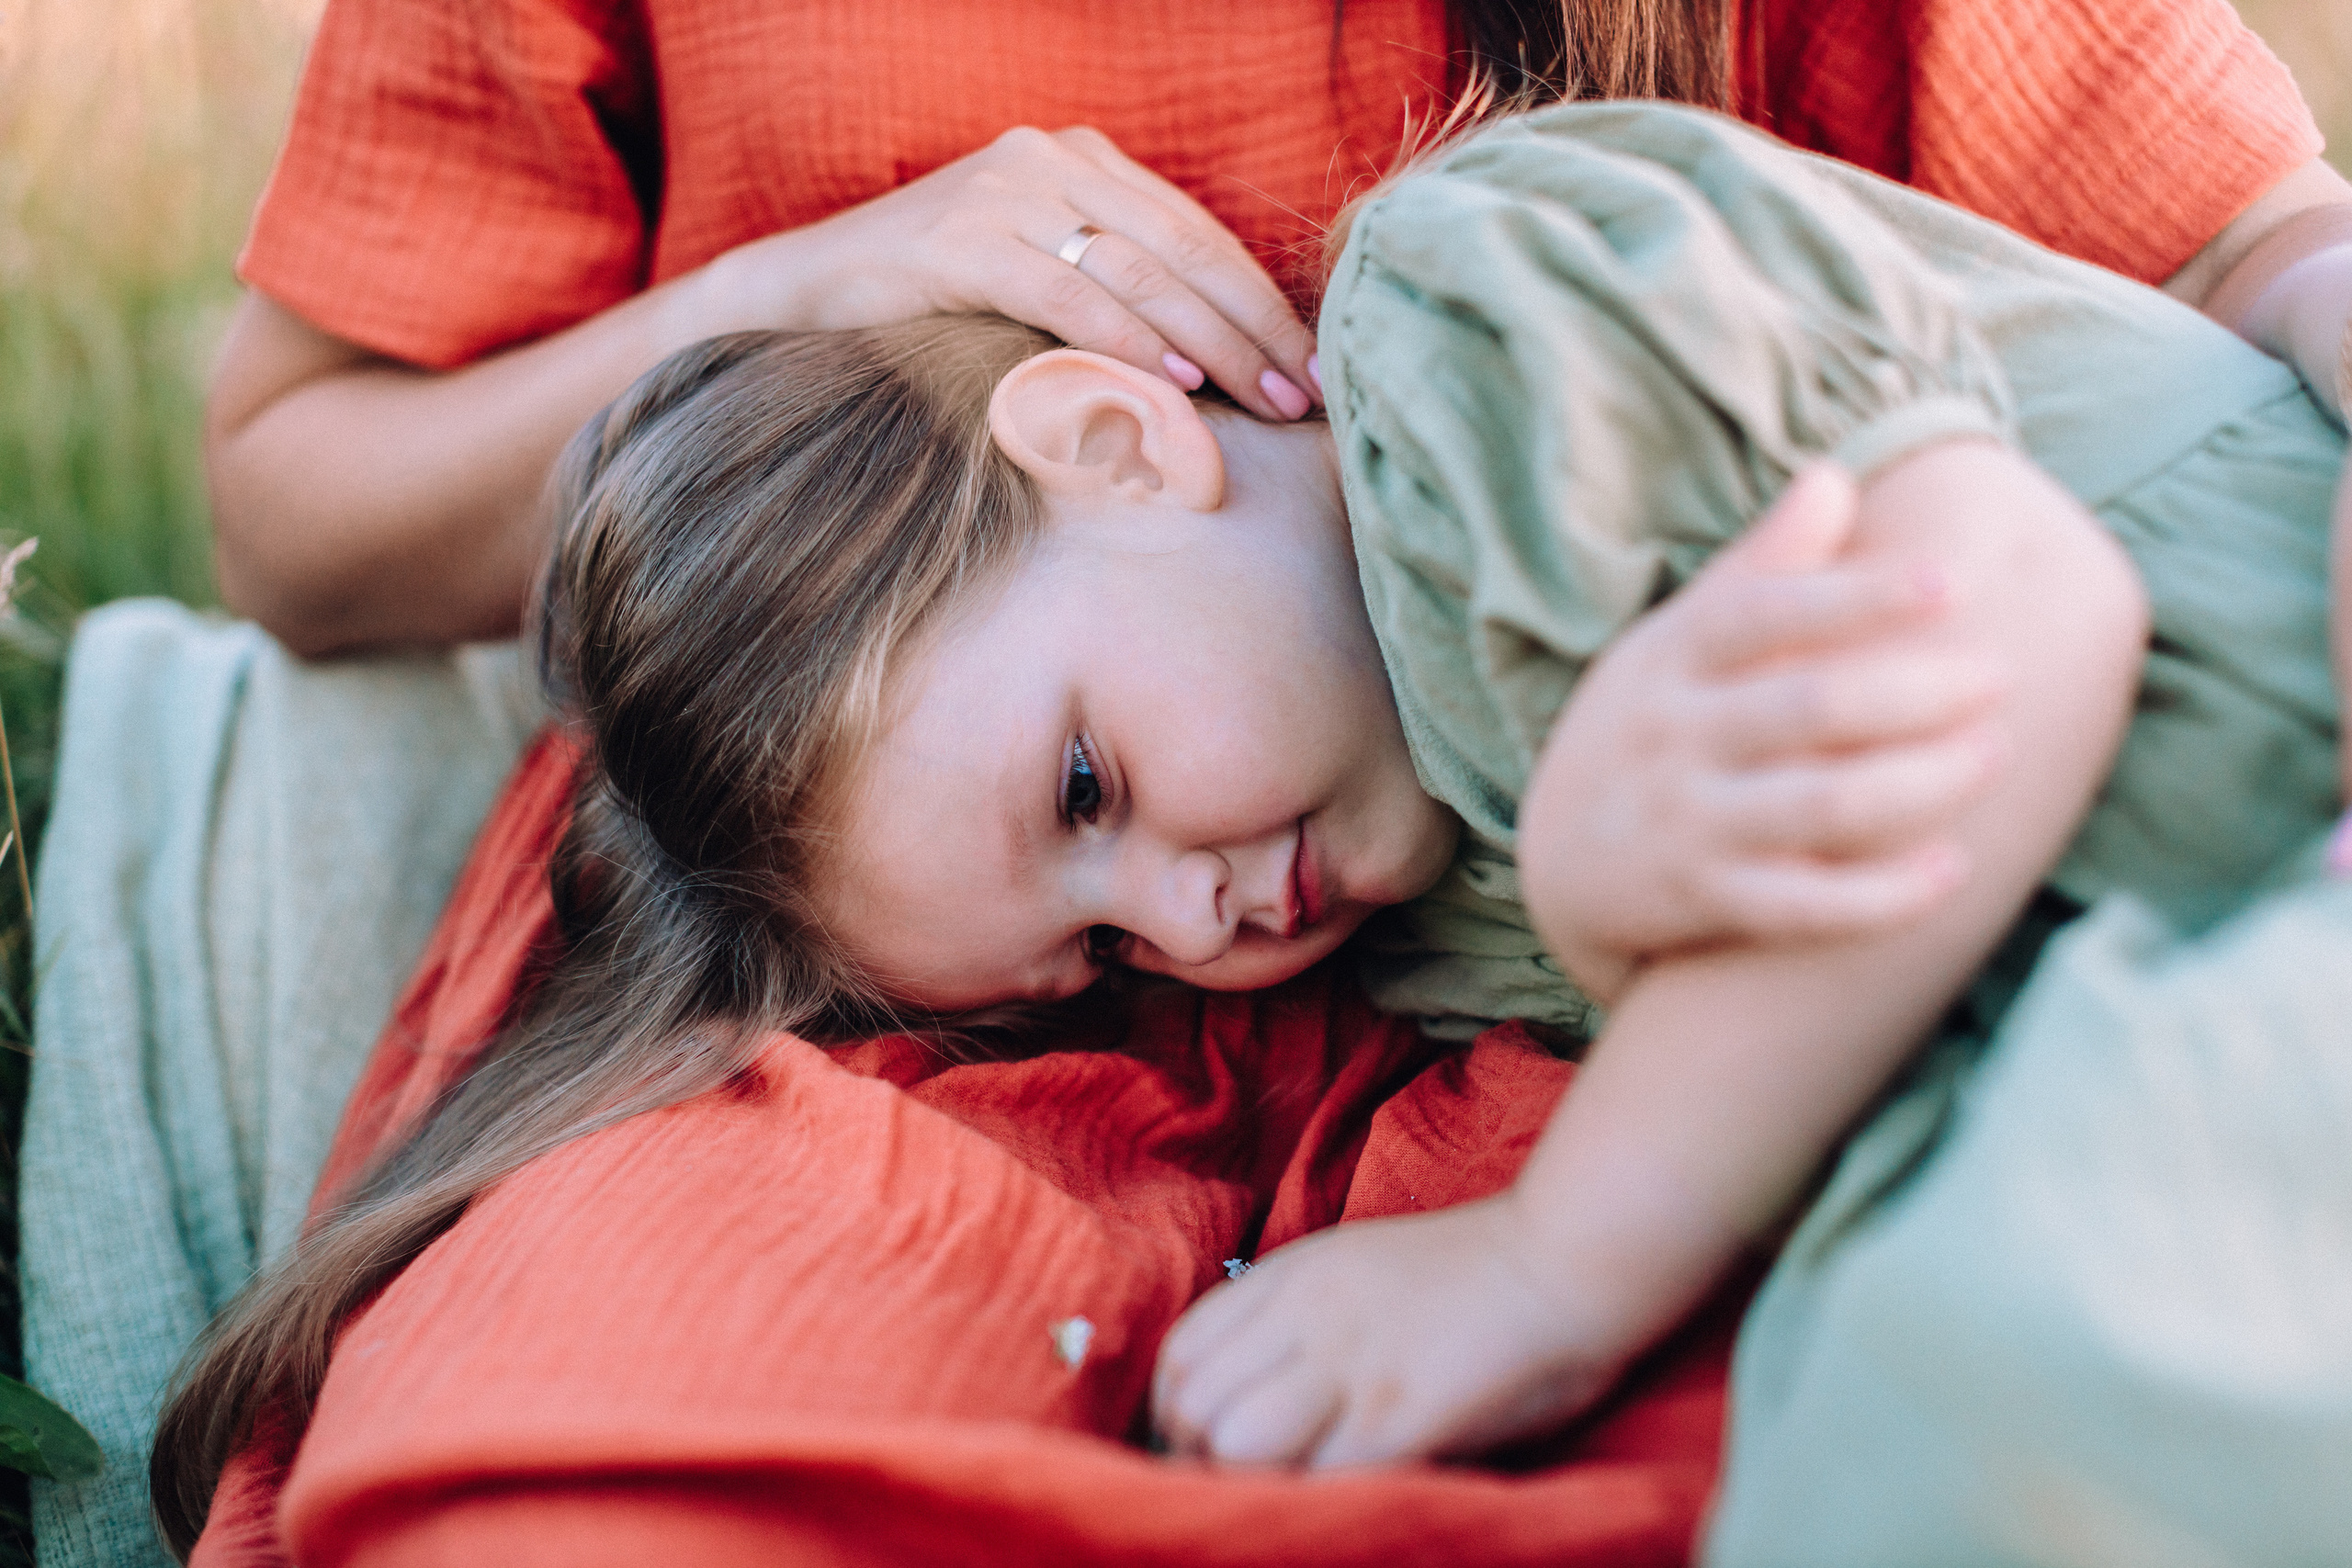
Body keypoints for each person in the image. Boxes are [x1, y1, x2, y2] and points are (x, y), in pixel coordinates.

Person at [22, 0, 2349, 1560]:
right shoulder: (1265, 864)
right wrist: (796, 284)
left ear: (1126, 438)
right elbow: (295, 507)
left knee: (1970, 1398)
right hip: (927, 944)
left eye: (1090, 791)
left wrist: (1559, 1226)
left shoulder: (1482, 326)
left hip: (2077, 868)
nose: (1191, 915)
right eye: (1098, 917)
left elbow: (2156, 368)